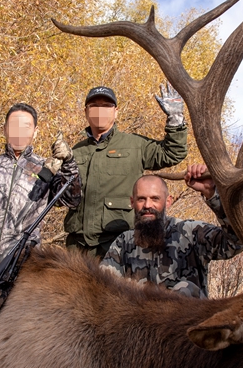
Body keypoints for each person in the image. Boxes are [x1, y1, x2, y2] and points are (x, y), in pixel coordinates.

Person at [64, 84, 188, 258]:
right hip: (78, 248)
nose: (100, 111)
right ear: (86, 112)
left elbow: (173, 152)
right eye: (94, 106)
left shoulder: (135, 145)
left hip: (119, 246)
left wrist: (175, 118)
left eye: (106, 106)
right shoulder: (75, 152)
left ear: (116, 111)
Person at [0, 103, 81, 273]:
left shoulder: (45, 169)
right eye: (14, 126)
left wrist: (69, 163)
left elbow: (71, 199)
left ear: (35, 131)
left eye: (25, 127)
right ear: (5, 129)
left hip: (22, 267)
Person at [100, 164, 243, 298]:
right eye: (141, 199)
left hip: (189, 322)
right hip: (141, 322)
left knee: (185, 288)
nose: (148, 205)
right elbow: (102, 287)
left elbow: (236, 242)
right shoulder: (123, 243)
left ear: (168, 201)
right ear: (132, 202)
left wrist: (212, 194)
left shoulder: (191, 233)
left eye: (155, 199)